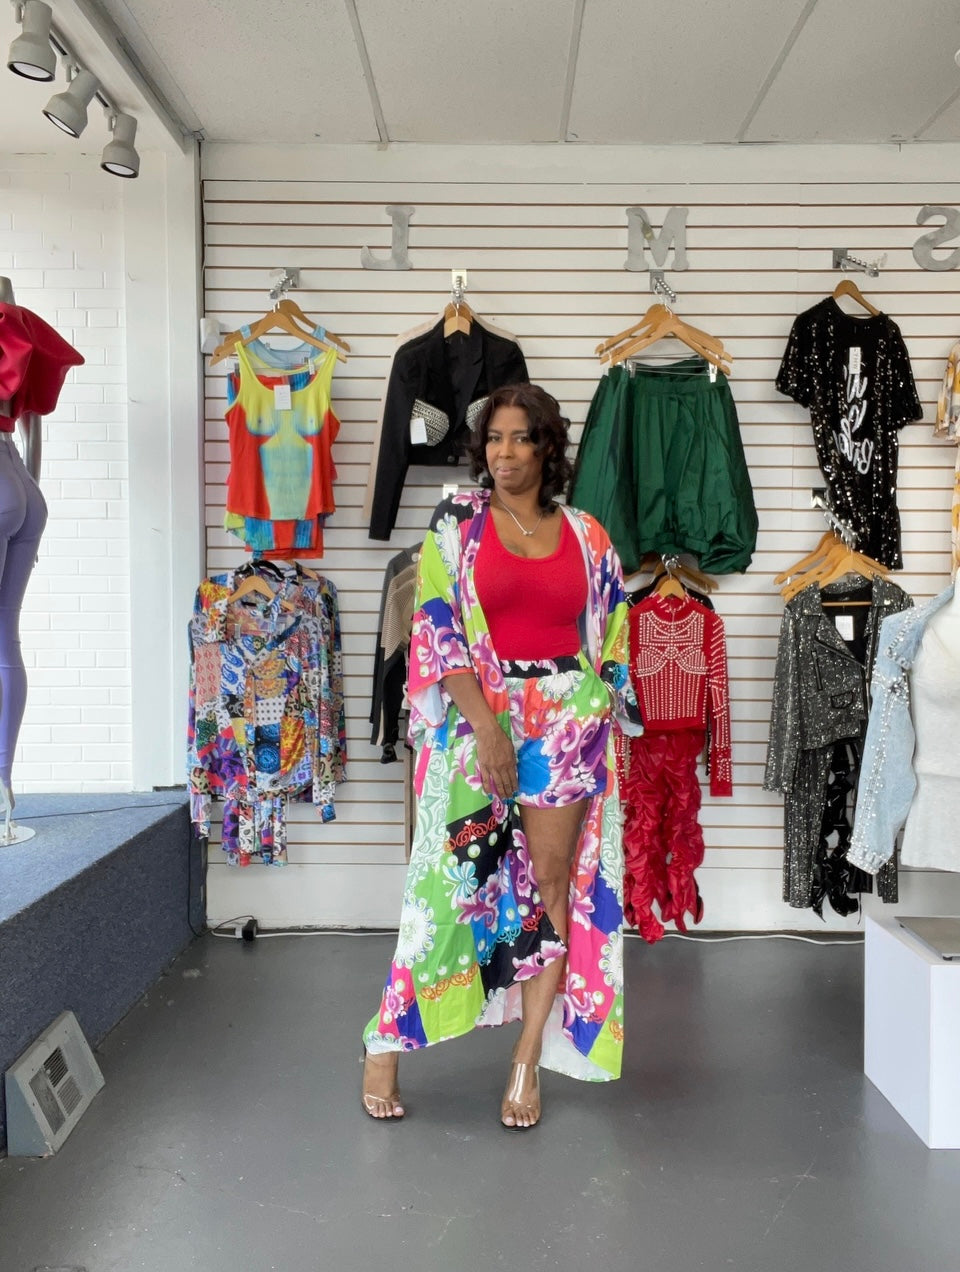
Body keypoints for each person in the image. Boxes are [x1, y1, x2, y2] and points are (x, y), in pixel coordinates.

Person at [361, 382, 642, 1129]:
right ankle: (388, 1038)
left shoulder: (587, 534)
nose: (504, 452)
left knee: (550, 887)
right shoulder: (457, 521)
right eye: (494, 438)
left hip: (565, 729)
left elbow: (614, 632)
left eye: (521, 437)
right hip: (474, 723)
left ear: (549, 447)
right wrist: (486, 726)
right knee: (447, 888)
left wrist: (597, 700)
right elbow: (436, 626)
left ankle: (526, 1058)